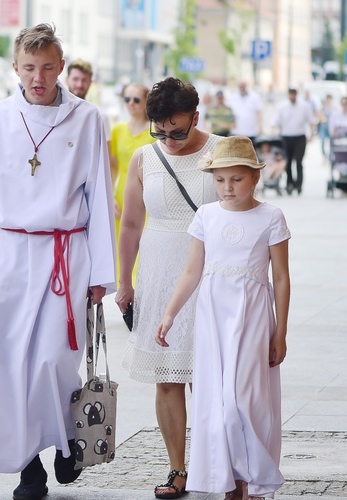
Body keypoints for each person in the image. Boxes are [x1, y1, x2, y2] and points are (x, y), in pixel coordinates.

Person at [0, 24, 116, 500]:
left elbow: (99, 196)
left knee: (55, 361)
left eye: (46, 68)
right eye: (28, 68)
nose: (37, 78)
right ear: (15, 68)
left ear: (61, 67)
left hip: (67, 254)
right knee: (11, 363)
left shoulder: (88, 119)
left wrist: (102, 274)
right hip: (11, 254)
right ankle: (29, 467)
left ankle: (64, 435)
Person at [156, 135, 290, 500]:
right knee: (215, 402)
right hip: (212, 317)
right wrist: (170, 314)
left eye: (236, 179)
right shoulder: (206, 215)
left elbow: (280, 278)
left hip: (253, 318)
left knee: (243, 402)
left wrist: (280, 333)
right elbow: (191, 273)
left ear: (255, 178)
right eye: (219, 180)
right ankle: (229, 481)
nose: (227, 188)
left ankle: (253, 476)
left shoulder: (271, 217)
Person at [115, 77, 221, 500]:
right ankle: (178, 469)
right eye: (161, 131)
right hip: (158, 272)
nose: (170, 140)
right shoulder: (145, 157)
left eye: (179, 130)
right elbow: (131, 224)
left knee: (210, 378)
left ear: (196, 117)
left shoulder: (221, 150)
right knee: (167, 378)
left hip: (210, 273)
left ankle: (219, 464)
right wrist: (124, 281)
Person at [109, 82, 154, 284]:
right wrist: (110, 196)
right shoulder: (117, 130)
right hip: (121, 195)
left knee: (144, 246)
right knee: (123, 246)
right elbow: (113, 166)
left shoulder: (155, 131)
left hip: (147, 197)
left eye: (136, 99)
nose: (131, 104)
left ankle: (139, 291)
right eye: (127, 99)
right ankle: (125, 291)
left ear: (146, 102)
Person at [272, 88, 316, 195]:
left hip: (300, 136)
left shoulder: (304, 106)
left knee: (299, 162)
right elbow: (275, 121)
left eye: (294, 94)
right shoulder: (282, 106)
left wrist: (312, 134)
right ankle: (290, 183)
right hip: (286, 136)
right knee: (288, 161)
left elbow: (311, 121)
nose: (292, 96)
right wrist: (274, 131)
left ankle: (299, 184)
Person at [65, 58, 113, 153]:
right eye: (75, 79)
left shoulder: (99, 115)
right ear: (67, 80)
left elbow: (106, 156)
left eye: (84, 80)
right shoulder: (55, 112)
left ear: (90, 82)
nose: (79, 84)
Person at [317, 94, 334, 159]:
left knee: (331, 142)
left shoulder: (333, 108)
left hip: (331, 127)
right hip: (323, 126)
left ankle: (330, 156)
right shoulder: (322, 107)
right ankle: (324, 155)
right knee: (322, 142)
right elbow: (319, 115)